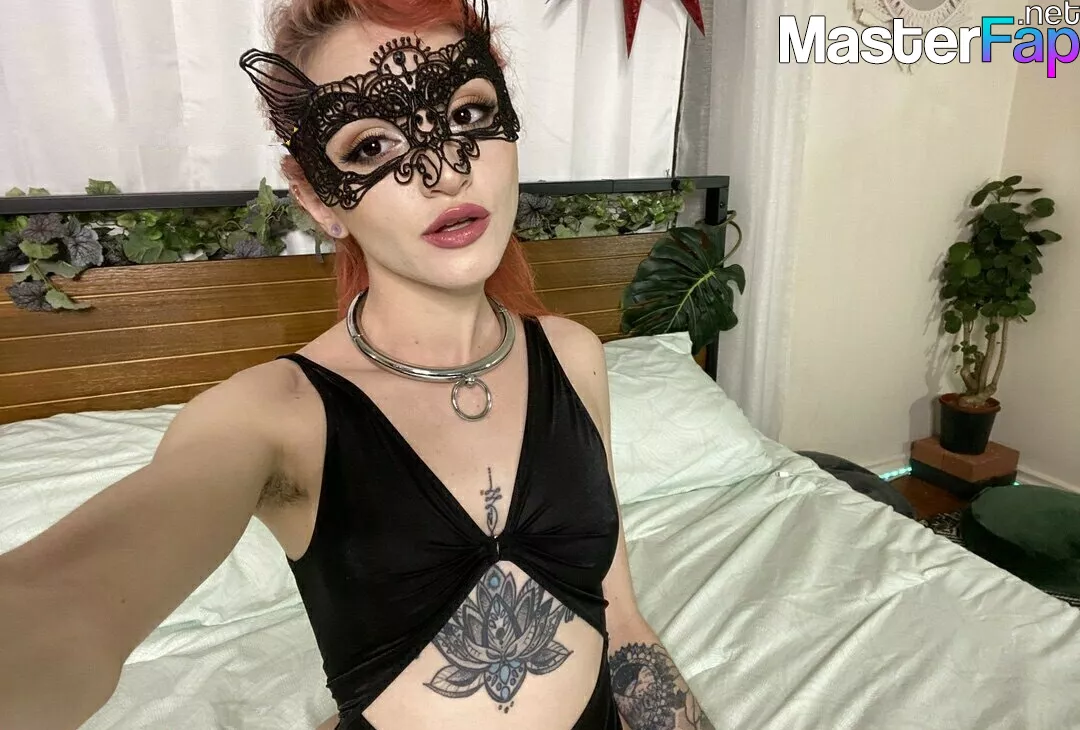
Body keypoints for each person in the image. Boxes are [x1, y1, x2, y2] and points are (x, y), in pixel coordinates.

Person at [0, 1, 716, 728]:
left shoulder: (573, 355)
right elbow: (64, 605)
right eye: (371, 145)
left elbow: (619, 613)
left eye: (468, 114)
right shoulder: (274, 418)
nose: (445, 172)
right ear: (317, 198)